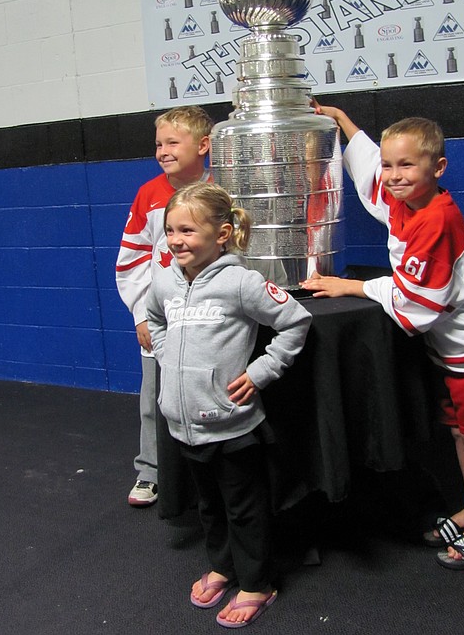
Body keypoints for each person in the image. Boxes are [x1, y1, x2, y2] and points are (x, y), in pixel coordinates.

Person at [301, 104, 464, 571]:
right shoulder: (406, 199)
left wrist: (352, 286)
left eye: (407, 165)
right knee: (460, 432)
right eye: (391, 165)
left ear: (437, 168)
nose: (393, 176)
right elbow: (372, 170)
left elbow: (418, 305)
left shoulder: (437, 220)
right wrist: (345, 123)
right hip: (453, 345)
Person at [146, 182, 312, 626]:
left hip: (232, 425)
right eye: (170, 231)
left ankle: (257, 584)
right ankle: (224, 567)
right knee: (209, 506)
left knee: (244, 507)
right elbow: (153, 320)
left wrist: (262, 371)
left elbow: (295, 321)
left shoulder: (241, 282)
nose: (176, 240)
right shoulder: (164, 280)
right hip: (184, 423)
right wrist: (164, 353)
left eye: (187, 231)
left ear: (222, 234)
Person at [116, 106, 211, 506]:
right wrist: (141, 313)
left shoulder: (221, 191)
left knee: (209, 391)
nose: (163, 150)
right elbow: (132, 258)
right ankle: (151, 471)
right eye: (159, 143)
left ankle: (207, 471)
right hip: (162, 320)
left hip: (210, 319)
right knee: (154, 397)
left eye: (173, 142)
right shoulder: (149, 195)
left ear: (204, 145)